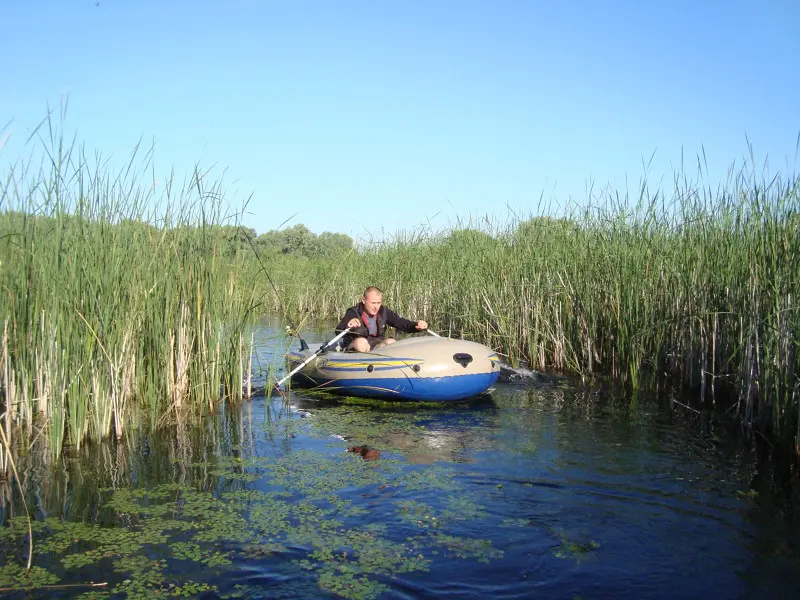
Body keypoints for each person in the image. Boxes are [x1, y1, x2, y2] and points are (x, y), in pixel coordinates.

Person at [335, 286, 427, 352]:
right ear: (364, 300)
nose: (376, 307)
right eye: (373, 303)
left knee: (392, 342)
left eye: (378, 303)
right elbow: (338, 331)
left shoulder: (384, 312)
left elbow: (401, 323)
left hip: (376, 347)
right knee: (361, 343)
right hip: (355, 348)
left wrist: (415, 325)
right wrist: (348, 324)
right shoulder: (353, 312)